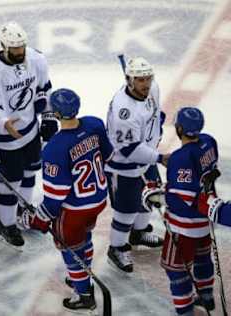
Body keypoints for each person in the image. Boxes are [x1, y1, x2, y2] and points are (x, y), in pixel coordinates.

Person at [21, 88, 114, 313]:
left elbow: (55, 198)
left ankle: (84, 294)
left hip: (74, 210)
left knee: (69, 247)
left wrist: (38, 219)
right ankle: (82, 276)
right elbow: (109, 155)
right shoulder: (94, 124)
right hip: (99, 201)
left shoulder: (55, 148)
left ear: (57, 114)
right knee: (84, 236)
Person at [0, 21, 57, 249]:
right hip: (5, 137)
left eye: (22, 46)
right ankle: (6, 224)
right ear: (4, 46)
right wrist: (4, 122)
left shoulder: (36, 59)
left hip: (30, 129)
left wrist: (48, 115)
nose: (20, 52)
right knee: (9, 183)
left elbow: (45, 88)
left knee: (31, 170)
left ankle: (23, 209)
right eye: (14, 48)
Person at [143, 107, 217, 315]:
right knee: (203, 258)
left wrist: (154, 195)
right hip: (205, 220)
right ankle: (207, 296)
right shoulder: (209, 142)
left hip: (183, 227)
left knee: (175, 269)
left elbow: (182, 199)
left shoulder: (180, 158)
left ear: (179, 128)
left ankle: (185, 311)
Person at [105, 56, 170, 273]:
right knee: (125, 211)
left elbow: (157, 113)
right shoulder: (125, 112)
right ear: (129, 80)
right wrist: (160, 158)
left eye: (148, 78)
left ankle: (138, 232)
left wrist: (157, 128)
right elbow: (129, 150)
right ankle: (117, 247)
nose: (146, 84)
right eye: (140, 80)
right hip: (124, 166)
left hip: (147, 155)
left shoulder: (153, 88)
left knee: (149, 198)